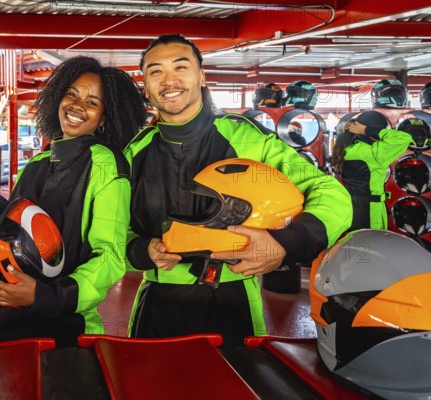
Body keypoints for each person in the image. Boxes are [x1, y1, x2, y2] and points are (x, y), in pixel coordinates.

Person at [124, 34, 351, 346]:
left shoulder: (249, 141)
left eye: (181, 67)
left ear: (201, 76)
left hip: (233, 300)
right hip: (156, 304)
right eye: (156, 71)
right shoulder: (132, 155)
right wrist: (139, 251)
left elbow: (329, 191)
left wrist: (285, 244)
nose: (169, 80)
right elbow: (109, 231)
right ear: (146, 84)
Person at [0, 56, 146, 347]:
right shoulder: (36, 163)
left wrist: (44, 296)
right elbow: (18, 232)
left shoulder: (106, 165)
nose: (77, 107)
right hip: (5, 318)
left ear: (104, 118)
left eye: (92, 103)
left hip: (65, 326)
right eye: (71, 95)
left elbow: (109, 258)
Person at [331, 112, 412, 230]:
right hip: (370, 211)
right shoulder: (373, 153)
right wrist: (367, 130)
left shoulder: (347, 148)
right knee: (373, 244)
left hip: (349, 209)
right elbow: (404, 138)